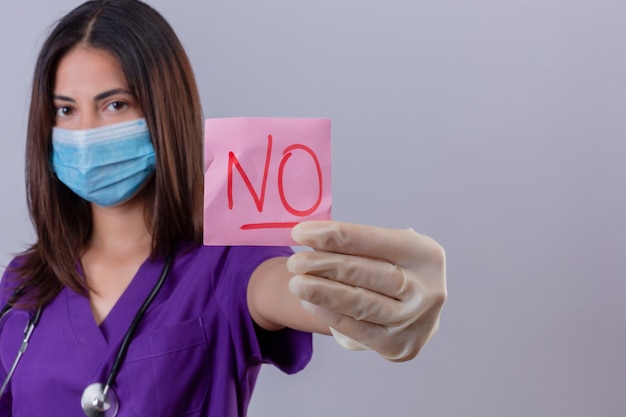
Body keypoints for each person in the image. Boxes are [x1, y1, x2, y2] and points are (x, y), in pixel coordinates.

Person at [0, 0, 447, 416]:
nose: (86, 132)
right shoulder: (22, 284)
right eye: (65, 110)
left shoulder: (226, 263)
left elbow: (287, 290)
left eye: (115, 104)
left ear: (162, 111)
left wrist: (385, 299)